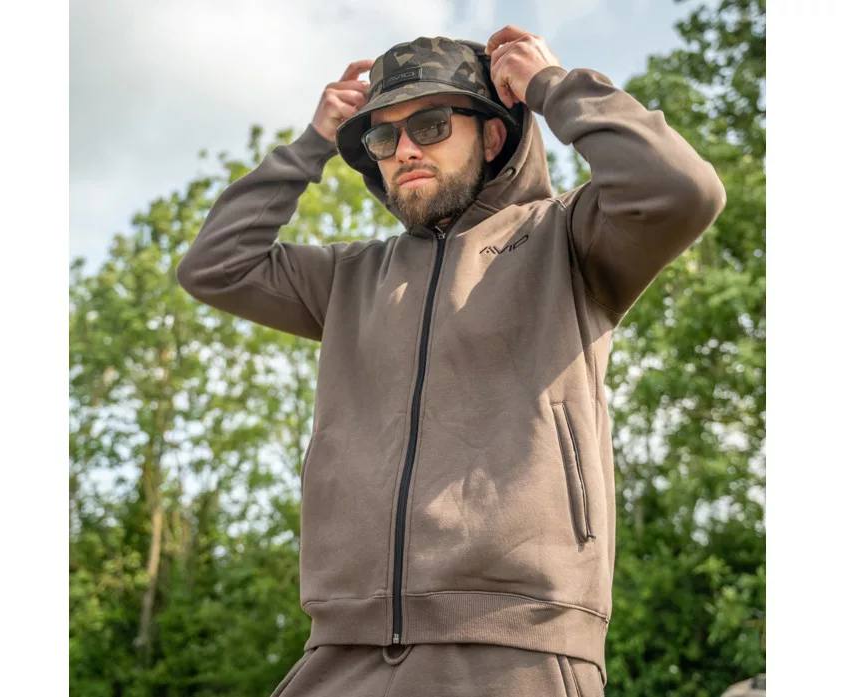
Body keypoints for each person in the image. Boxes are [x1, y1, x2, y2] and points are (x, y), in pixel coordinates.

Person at [177, 25, 726, 697]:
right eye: (383, 138)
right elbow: (214, 266)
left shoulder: (568, 237)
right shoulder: (351, 276)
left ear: (492, 136)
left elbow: (683, 190)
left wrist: (550, 86)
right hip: (341, 648)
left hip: (516, 648)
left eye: (431, 125)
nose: (405, 149)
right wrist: (313, 142)